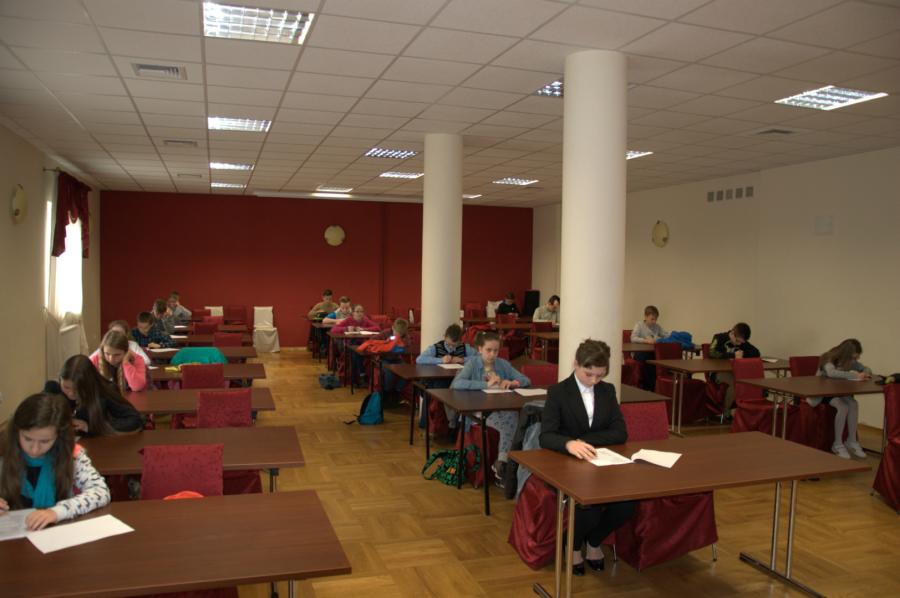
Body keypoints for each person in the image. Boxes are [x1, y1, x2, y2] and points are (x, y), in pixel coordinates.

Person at [540, 339, 634, 576]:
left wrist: (582, 439)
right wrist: (569, 443)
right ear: (576, 364)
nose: (594, 381)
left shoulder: (607, 390)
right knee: (589, 506)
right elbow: (546, 436)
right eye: (588, 374)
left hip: (602, 462)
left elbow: (620, 433)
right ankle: (572, 546)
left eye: (599, 375)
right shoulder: (558, 392)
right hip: (567, 463)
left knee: (626, 505)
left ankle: (594, 541)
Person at [0, 393, 111, 531]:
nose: (35, 449)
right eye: (27, 439)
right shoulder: (3, 452)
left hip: (56, 534)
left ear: (59, 436)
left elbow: (100, 491)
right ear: (17, 431)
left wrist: (58, 512)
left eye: (45, 441)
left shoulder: (73, 456)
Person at [450, 331, 530, 486]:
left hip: (500, 407)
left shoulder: (503, 364)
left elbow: (525, 379)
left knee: (517, 417)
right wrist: (485, 384)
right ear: (480, 349)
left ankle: (502, 464)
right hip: (479, 410)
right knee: (512, 419)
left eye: (496, 351)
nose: (492, 354)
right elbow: (457, 383)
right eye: (488, 350)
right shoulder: (473, 364)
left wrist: (513, 383)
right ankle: (503, 464)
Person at [55, 355, 144, 436]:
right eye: (66, 387)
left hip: (100, 444)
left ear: (88, 384)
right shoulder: (55, 390)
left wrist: (90, 427)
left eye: (77, 389)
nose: (71, 393)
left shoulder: (106, 391)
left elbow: (134, 420)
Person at [812, 339, 871, 459]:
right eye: (854, 356)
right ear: (847, 353)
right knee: (843, 406)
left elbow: (865, 368)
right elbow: (831, 373)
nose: (856, 359)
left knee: (853, 404)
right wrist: (855, 375)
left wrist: (865, 373)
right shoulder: (828, 358)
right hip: (822, 392)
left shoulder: (849, 361)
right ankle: (837, 444)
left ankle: (851, 441)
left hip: (838, 392)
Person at [709, 322, 761, 415]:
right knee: (735, 383)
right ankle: (725, 412)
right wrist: (732, 355)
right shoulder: (719, 337)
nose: (739, 344)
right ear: (732, 333)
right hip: (717, 372)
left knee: (748, 381)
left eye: (741, 342)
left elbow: (756, 353)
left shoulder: (741, 342)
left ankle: (745, 411)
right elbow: (712, 353)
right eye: (737, 341)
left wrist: (743, 354)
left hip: (735, 372)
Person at [332, 305, 382, 384]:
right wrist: (346, 328)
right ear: (353, 313)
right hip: (349, 344)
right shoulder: (348, 320)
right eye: (357, 311)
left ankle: (355, 379)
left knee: (355, 353)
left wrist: (364, 329)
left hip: (362, 344)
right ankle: (361, 374)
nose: (360, 313)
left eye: (361, 311)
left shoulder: (365, 320)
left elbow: (378, 328)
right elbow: (334, 329)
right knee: (355, 351)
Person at [631, 305, 668, 390]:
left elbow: (666, 335)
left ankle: (655, 386)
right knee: (649, 361)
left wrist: (660, 339)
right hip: (639, 353)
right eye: (652, 319)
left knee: (658, 359)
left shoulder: (657, 327)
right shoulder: (639, 325)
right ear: (645, 317)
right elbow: (633, 338)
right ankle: (648, 387)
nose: (654, 321)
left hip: (652, 352)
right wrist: (646, 341)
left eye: (655, 319)